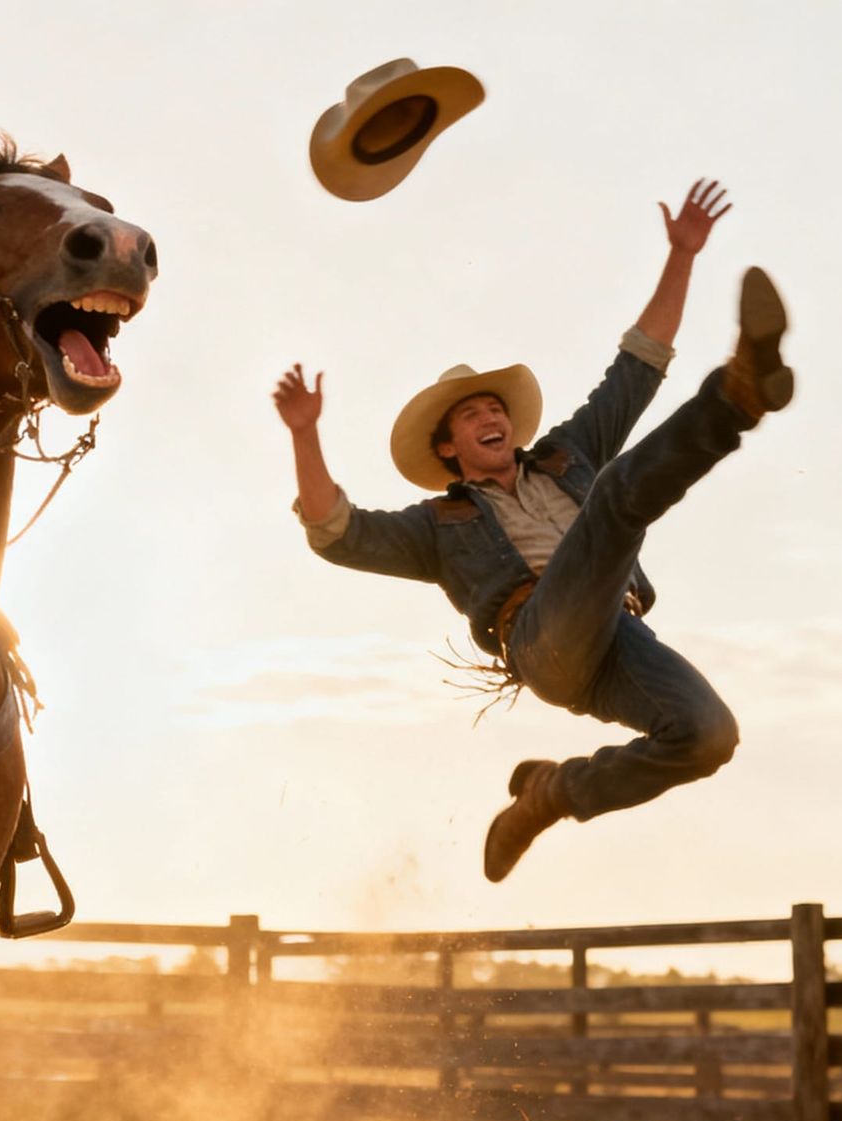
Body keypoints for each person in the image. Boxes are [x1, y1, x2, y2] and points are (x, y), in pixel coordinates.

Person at [272, 180, 792, 881]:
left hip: (617, 634)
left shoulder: (564, 454)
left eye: (495, 406)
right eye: (470, 414)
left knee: (707, 736)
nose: (491, 416)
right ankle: (737, 394)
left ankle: (550, 796)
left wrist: (682, 255)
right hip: (542, 640)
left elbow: (637, 366)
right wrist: (306, 435)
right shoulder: (439, 524)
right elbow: (336, 532)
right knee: (613, 503)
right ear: (449, 447)